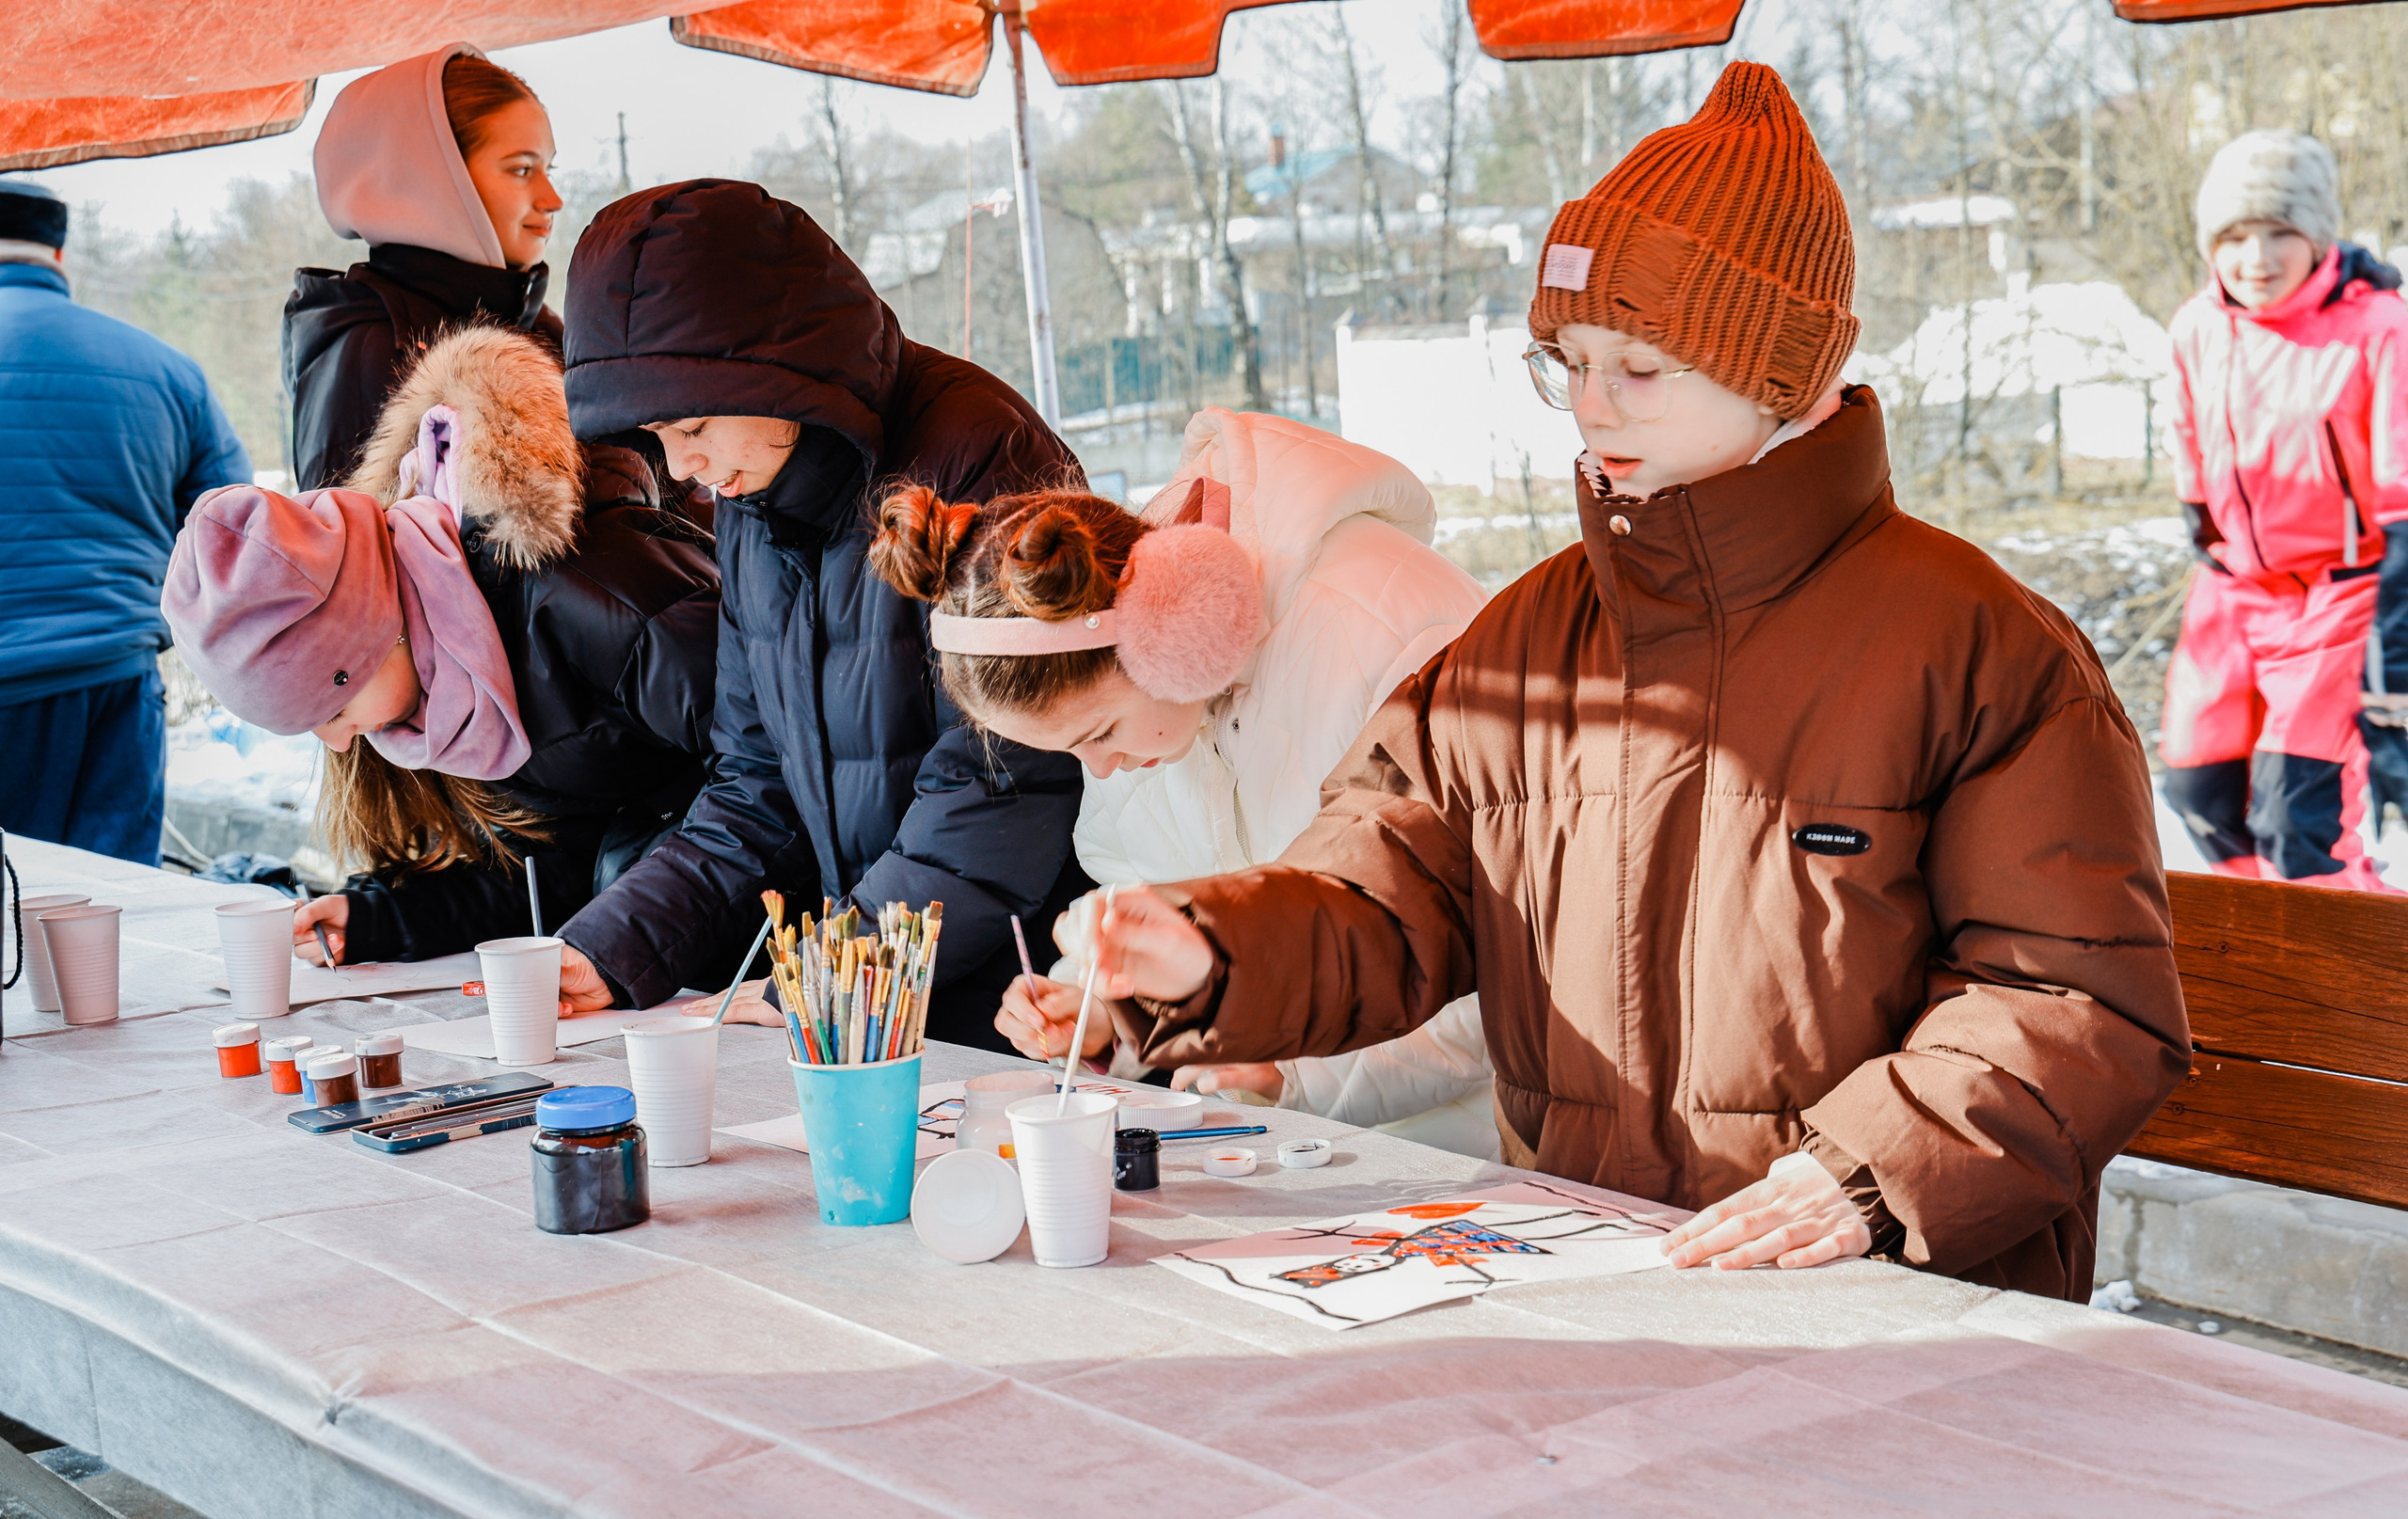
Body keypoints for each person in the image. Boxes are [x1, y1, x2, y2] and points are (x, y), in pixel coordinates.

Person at [1052, 64, 2189, 1303]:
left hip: (1897, 1285)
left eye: (1637, 366)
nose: (1591, 404)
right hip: (1601, 1272)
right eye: (1567, 361)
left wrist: (1868, 1169)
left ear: (1791, 372)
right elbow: (1384, 891)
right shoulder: (1528, 640)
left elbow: (2070, 990)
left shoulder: (1982, 647)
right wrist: (1212, 954)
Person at [868, 407, 1502, 1158]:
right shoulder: (1149, 706)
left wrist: (1286, 1071)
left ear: (1177, 631)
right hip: (1291, 1153)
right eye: (1072, 751)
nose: (1099, 768)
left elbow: (1503, 970)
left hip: (1463, 1157)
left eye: (1099, 732)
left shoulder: (1389, 639)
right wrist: (1110, 1012)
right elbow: (1133, 885)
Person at [550, 180, 1089, 1052]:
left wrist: (842, 969)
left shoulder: (978, 452)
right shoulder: (753, 508)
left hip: (1017, 1005)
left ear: (779, 371)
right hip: (870, 997)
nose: (684, 466)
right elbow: (753, 784)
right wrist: (611, 948)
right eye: (657, 438)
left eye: (693, 424)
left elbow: (1003, 770)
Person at [165, 324, 721, 965]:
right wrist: (385, 916)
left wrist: (625, 935)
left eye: (331, 710)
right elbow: (550, 867)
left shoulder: (586, 593)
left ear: (372, 634)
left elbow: (771, 777)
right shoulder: (451, 662)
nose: (342, 740)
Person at [2161, 130, 2408, 888]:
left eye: (2280, 233)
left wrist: (2391, 651)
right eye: (2235, 236)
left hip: (2341, 599)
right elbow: (2186, 434)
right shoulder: (2197, 326)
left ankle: (2343, 981)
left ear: (2318, 235)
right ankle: (2273, 939)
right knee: (2198, 793)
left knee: (2300, 820)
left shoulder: (2380, 327)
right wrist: (2200, 516)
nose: (2257, 258)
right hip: (2235, 592)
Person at [0, 176, 250, 864]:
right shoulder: (166, 371)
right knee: (111, 912)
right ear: (57, 256)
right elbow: (236, 530)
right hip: (113, 681)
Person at [284, 44, 563, 493]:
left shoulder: (531, 319)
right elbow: (357, 556)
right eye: (521, 169)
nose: (553, 198)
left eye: (550, 169)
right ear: (432, 181)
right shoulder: (372, 355)